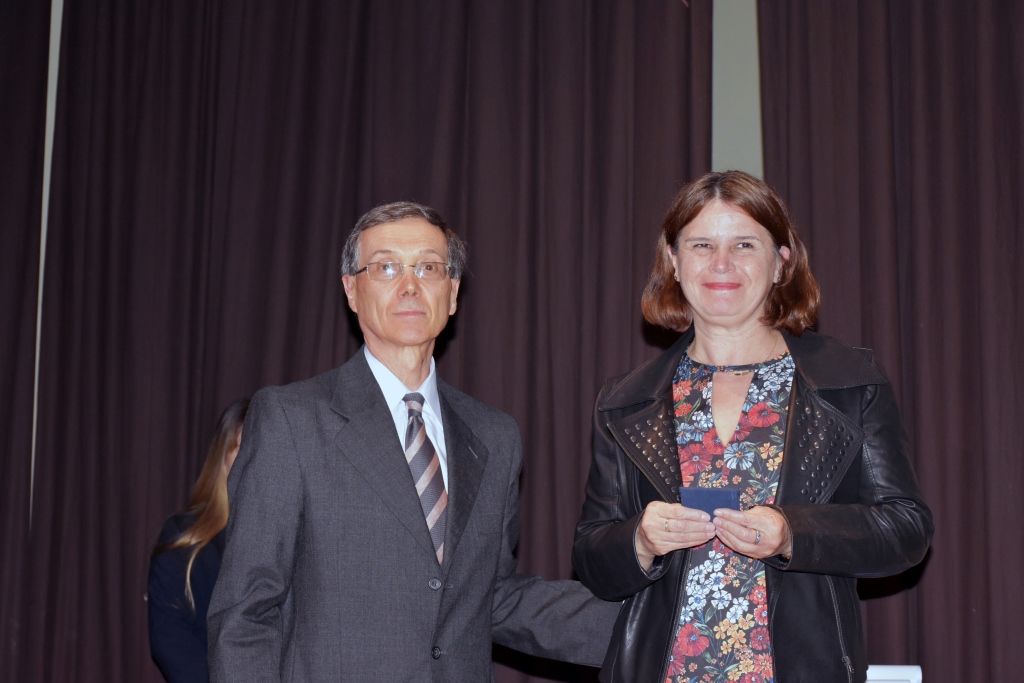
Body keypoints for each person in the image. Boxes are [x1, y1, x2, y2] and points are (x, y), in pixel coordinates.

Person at [208, 202, 619, 682]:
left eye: (428, 268)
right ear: (351, 290)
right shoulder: (291, 420)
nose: (409, 285)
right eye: (386, 268)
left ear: (453, 293)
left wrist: (663, 626)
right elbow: (245, 614)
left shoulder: (495, 436)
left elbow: (493, 598)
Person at [572, 171, 933, 683]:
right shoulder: (626, 401)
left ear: (782, 262)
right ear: (673, 260)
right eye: (701, 245)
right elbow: (590, 557)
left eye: (744, 244)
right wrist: (641, 541)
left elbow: (905, 529)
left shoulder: (849, 382)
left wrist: (793, 533)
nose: (721, 263)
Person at [148, 398, 249, 683]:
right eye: (243, 447)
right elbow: (170, 637)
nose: (254, 458)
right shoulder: (184, 536)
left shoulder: (295, 542)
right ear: (223, 456)